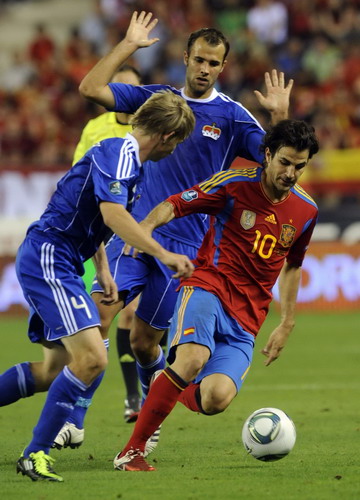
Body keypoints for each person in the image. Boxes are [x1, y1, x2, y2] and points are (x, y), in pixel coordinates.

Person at [75, 10, 293, 454]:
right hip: (137, 234)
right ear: (186, 57)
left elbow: (277, 162)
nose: (204, 68)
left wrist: (281, 117)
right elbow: (91, 89)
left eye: (213, 63)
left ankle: (150, 401)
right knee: (101, 311)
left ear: (222, 67)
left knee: (143, 341)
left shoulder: (232, 117)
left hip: (189, 250)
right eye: (198, 60)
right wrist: (129, 45)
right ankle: (71, 419)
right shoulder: (157, 99)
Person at [0, 90, 195, 482]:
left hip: (63, 259)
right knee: (92, 359)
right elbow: (112, 213)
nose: (174, 152)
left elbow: (93, 213)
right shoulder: (121, 154)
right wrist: (164, 253)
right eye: (177, 142)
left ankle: (39, 446)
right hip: (50, 257)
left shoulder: (125, 162)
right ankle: (35, 454)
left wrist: (103, 268)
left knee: (53, 372)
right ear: (167, 135)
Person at [112, 119, 320, 471]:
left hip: (248, 316)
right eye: (284, 162)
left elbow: (293, 266)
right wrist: (144, 228)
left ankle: (166, 381)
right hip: (208, 285)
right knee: (192, 359)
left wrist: (287, 322)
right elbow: (176, 203)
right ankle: (132, 451)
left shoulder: (307, 210)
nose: (291, 172)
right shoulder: (234, 184)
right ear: (267, 155)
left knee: (215, 399)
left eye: (299, 166)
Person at [72, 64, 143, 426]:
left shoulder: (148, 127)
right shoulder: (95, 130)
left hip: (135, 228)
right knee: (99, 320)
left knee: (129, 315)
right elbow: (78, 178)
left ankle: (133, 397)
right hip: (100, 231)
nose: (126, 96)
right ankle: (76, 409)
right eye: (120, 89)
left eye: (133, 89)